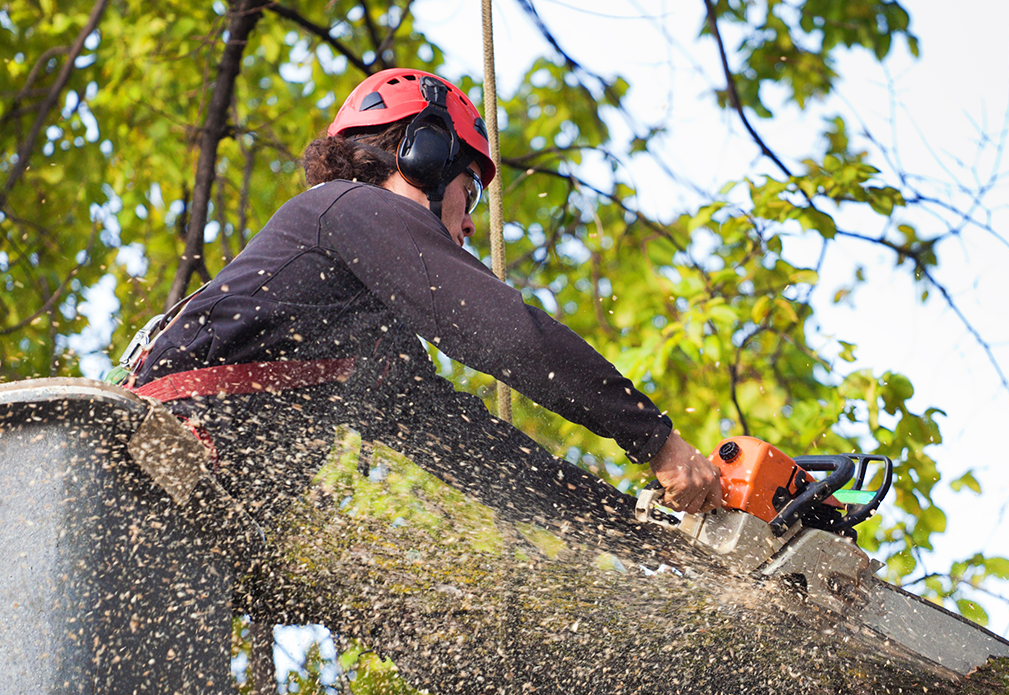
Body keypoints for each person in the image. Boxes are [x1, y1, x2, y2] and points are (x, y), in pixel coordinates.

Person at [129, 68, 721, 521]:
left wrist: (635, 527)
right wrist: (656, 440)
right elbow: (508, 335)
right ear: (425, 156)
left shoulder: (367, 336)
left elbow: (475, 453)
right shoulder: (346, 208)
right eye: (471, 190)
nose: (469, 225)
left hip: (186, 511)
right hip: (149, 466)